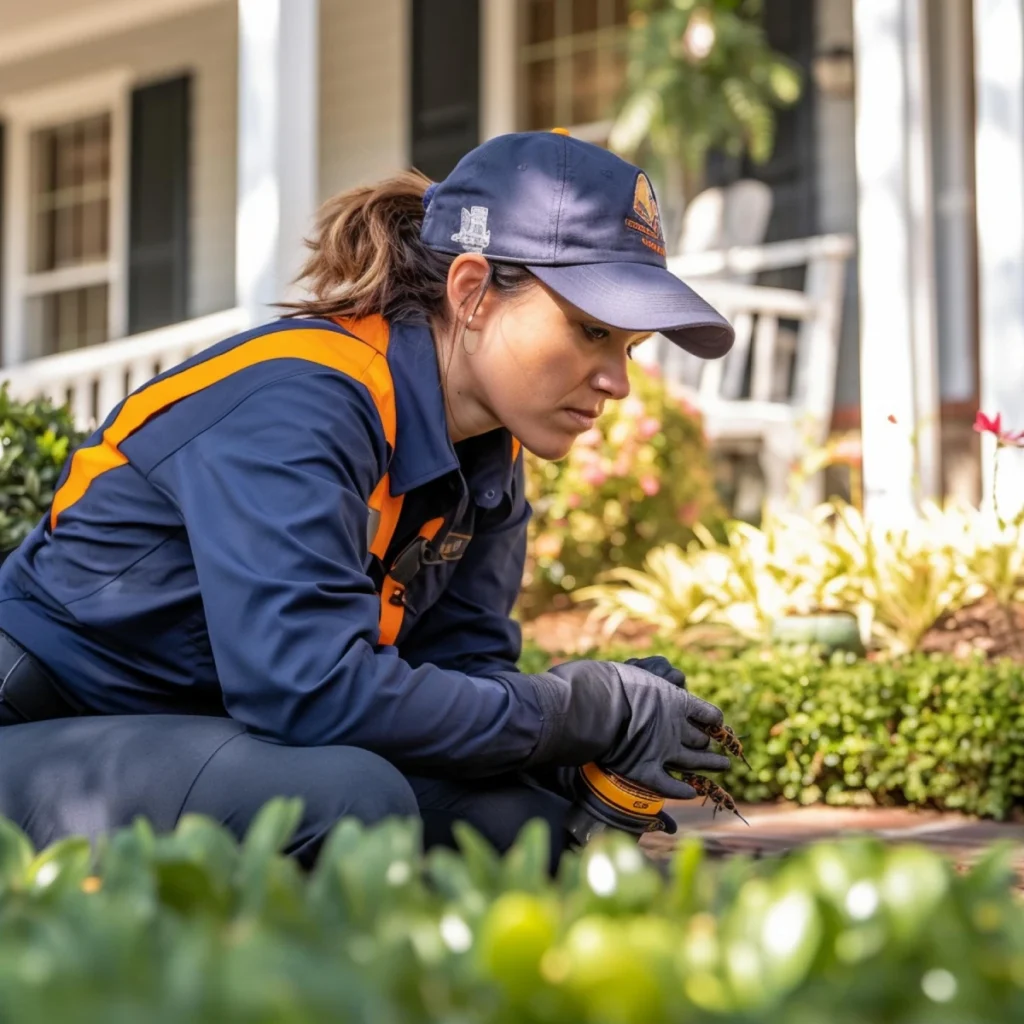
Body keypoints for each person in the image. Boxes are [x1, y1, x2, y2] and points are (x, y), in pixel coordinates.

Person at [0, 130, 735, 870]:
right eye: (592, 330)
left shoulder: (488, 452)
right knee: (349, 801)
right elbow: (309, 693)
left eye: (630, 348)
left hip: (186, 736)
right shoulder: (300, 401)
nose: (617, 380)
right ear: (472, 291)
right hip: (38, 726)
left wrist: (579, 747)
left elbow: (462, 670)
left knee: (521, 829)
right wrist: (577, 708)